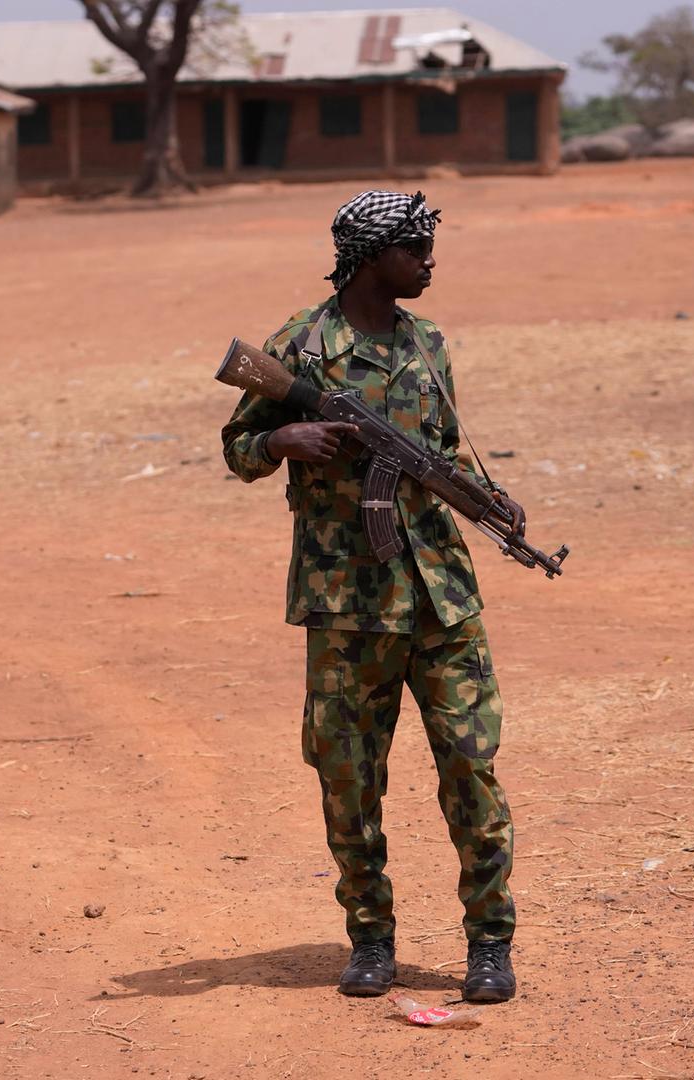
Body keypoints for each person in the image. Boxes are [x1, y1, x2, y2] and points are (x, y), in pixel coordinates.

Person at [220, 190, 523, 1003]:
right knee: (350, 775)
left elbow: (442, 455)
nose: (429, 262)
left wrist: (491, 505)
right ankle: (370, 938)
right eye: (416, 247)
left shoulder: (428, 344)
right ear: (372, 256)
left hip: (442, 597)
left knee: (471, 764)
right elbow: (238, 448)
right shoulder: (303, 347)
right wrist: (285, 438)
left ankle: (489, 943)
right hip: (347, 603)